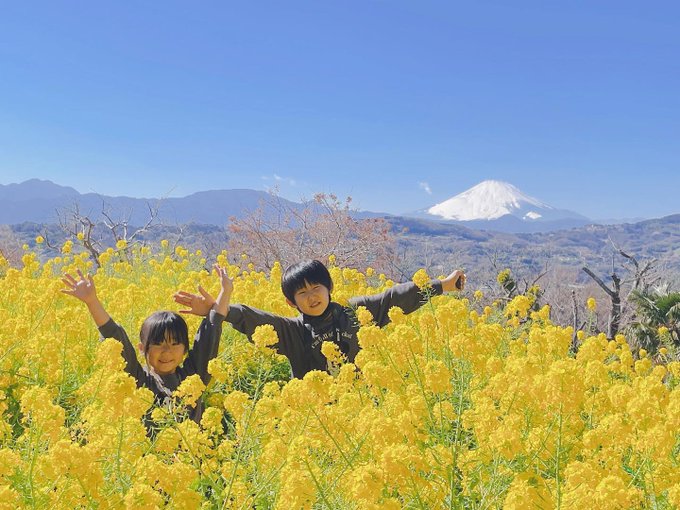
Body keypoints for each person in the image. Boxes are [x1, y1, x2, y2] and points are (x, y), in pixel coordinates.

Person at [173, 260, 465, 379]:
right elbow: (252, 318)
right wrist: (218, 308)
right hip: (317, 414)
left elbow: (395, 298)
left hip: (362, 404)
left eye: (316, 288)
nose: (312, 297)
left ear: (329, 288)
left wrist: (443, 285)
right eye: (302, 293)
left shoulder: (354, 311)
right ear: (291, 302)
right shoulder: (293, 331)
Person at [61, 265, 232, 423]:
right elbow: (115, 338)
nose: (167, 351)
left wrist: (225, 292)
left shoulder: (194, 376)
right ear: (142, 349)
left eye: (175, 344)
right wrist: (92, 302)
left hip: (189, 456)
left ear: (186, 349)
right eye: (158, 344)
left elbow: (210, 332)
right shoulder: (138, 381)